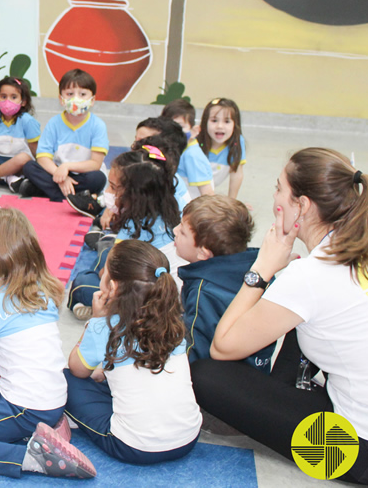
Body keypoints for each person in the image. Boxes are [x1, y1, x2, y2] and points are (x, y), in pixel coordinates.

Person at [193, 148, 368, 485]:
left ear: (303, 205)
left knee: (206, 375)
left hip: (363, 451)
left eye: (279, 189)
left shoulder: (311, 276)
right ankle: (288, 390)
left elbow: (223, 347)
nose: (275, 197)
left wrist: (262, 268)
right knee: (299, 318)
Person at [0, 201, 97, 479]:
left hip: (27, 405)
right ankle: (49, 425)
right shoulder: (41, 289)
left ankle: (34, 455)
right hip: (50, 395)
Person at [65, 241, 202, 465]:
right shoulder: (174, 323)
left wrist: (95, 321)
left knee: (64, 380)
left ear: (114, 286)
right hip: (188, 438)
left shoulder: (105, 326)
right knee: (104, 379)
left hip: (134, 447)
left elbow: (77, 370)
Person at [68, 147, 179, 320]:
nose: (108, 193)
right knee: (107, 253)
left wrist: (104, 275)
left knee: (82, 284)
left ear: (135, 195)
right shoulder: (159, 212)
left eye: (113, 187)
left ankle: (98, 308)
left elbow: (110, 278)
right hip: (135, 275)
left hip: (142, 299)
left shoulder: (137, 229)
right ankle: (104, 243)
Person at [174, 196, 273, 371]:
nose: (175, 231)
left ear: (204, 253)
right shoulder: (261, 274)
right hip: (256, 372)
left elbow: (195, 351)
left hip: (216, 380)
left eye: (182, 232)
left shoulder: (202, 292)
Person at [18, 68, 108, 204]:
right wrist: (60, 175)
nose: (76, 99)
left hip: (84, 174)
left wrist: (66, 167)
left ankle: (44, 190)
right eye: (70, 94)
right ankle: (74, 196)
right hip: (56, 171)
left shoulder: (98, 125)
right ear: (61, 99)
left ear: (92, 100)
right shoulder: (54, 123)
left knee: (99, 178)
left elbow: (95, 163)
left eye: (83, 94)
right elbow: (42, 156)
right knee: (29, 166)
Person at [161, 98, 215, 198]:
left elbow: (207, 194)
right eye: (169, 126)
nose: (173, 132)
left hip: (190, 208)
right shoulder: (175, 149)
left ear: (194, 131)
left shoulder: (192, 155)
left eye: (180, 127)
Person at [198, 97, 246, 199]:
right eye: (214, 120)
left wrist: (232, 202)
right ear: (205, 122)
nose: (220, 126)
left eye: (227, 121)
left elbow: (236, 173)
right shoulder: (196, 144)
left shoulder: (237, 142)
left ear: (235, 124)